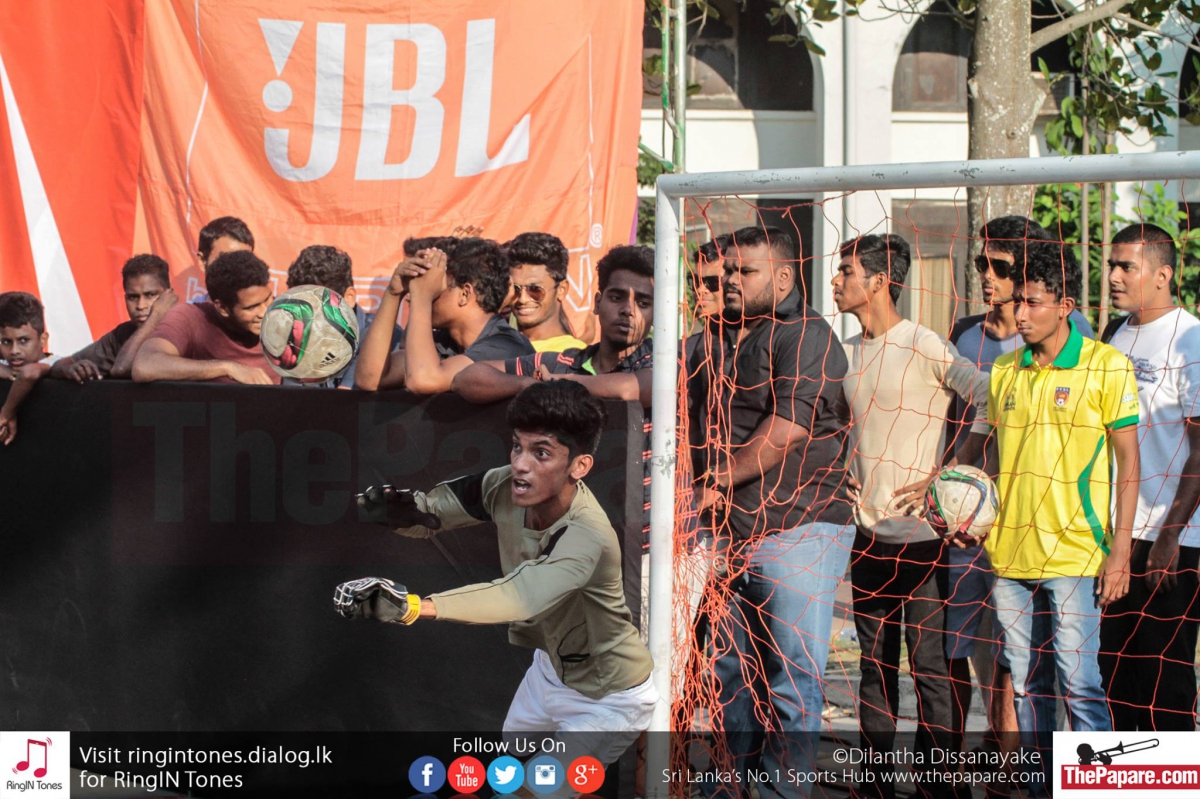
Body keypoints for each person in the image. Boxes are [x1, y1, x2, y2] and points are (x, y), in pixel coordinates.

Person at [336, 379, 656, 766]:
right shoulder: (504, 484)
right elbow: (431, 514)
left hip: (608, 695)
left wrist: (414, 607)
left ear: (579, 466)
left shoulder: (588, 536)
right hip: (548, 671)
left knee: (538, 790)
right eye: (518, 446)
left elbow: (518, 596)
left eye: (541, 453)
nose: (520, 463)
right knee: (509, 773)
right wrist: (393, 513)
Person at [453, 245, 702, 638]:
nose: (628, 310)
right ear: (598, 302)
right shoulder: (562, 360)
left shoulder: (667, 364)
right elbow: (468, 379)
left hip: (655, 555)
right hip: (572, 548)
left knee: (646, 673)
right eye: (617, 297)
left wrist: (557, 386)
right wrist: (528, 385)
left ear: (658, 312)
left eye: (644, 302)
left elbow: (629, 389)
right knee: (564, 666)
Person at [692, 226, 854, 798]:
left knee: (790, 682)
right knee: (729, 679)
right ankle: (730, 789)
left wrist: (715, 479)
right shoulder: (716, 334)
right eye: (728, 271)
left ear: (783, 277)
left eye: (746, 271)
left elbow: (788, 428)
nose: (732, 281)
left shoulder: (808, 334)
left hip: (798, 528)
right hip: (726, 533)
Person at [833, 233, 989, 795]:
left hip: (922, 539)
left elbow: (990, 397)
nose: (835, 281)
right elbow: (838, 426)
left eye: (846, 271)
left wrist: (950, 471)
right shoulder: (843, 352)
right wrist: (841, 467)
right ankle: (874, 785)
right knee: (874, 670)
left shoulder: (924, 344)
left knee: (929, 671)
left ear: (879, 281)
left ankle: (936, 785)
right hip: (866, 536)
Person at [986, 237, 1139, 788]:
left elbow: (1130, 463)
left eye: (1032, 302)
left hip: (1076, 554)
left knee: (1080, 686)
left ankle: (1100, 786)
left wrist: (1120, 550)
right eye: (1017, 301)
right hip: (1009, 556)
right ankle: (1039, 785)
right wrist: (970, 514)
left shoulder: (1107, 366)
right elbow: (994, 458)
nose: (1020, 313)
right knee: (1028, 685)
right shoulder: (1003, 370)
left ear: (1065, 305)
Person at [943, 216, 1081, 767]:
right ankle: (980, 755)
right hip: (971, 515)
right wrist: (949, 489)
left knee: (1030, 657)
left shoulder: (1074, 334)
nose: (986, 275)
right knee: (969, 644)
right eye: (981, 262)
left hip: (1039, 524)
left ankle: (1020, 761)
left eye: (998, 266)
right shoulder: (964, 334)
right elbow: (962, 427)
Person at [1099, 222, 1200, 731]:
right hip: (1112, 535)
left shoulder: (1192, 339)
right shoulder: (1113, 333)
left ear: (1162, 275)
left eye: (1127, 267)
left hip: (1170, 541)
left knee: (1166, 689)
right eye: (1111, 265)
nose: (1113, 277)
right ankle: (1114, 775)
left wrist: (1169, 537)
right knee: (1109, 684)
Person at [353, 237, 532, 394]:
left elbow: (424, 381)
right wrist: (393, 293)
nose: (412, 297)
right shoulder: (443, 343)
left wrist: (422, 295)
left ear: (464, 294)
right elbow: (370, 378)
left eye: (434, 288)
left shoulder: (506, 346)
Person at [132, 250, 280, 385]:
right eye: (252, 307)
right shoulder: (191, 318)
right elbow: (145, 365)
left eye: (268, 299)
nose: (264, 312)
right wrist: (227, 368)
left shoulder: (285, 316)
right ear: (223, 308)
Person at [282, 245, 402, 389]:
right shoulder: (296, 339)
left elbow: (348, 396)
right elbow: (292, 397)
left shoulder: (386, 338)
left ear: (348, 297)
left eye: (318, 306)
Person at [49, 255, 178, 382]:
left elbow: (121, 369)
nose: (140, 306)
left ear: (169, 296)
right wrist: (70, 369)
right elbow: (61, 364)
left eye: (150, 295)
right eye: (133, 297)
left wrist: (155, 317)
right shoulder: (123, 334)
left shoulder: (183, 329)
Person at [503, 232, 586, 352]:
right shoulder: (499, 345)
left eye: (535, 290)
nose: (522, 299)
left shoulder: (572, 355)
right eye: (515, 289)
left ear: (562, 290)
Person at [0, 292, 62, 444]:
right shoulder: (5, 363)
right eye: (6, 342)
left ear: (43, 339)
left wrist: (5, 414)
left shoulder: (56, 364)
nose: (14, 350)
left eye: (23, 340)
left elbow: (28, 374)